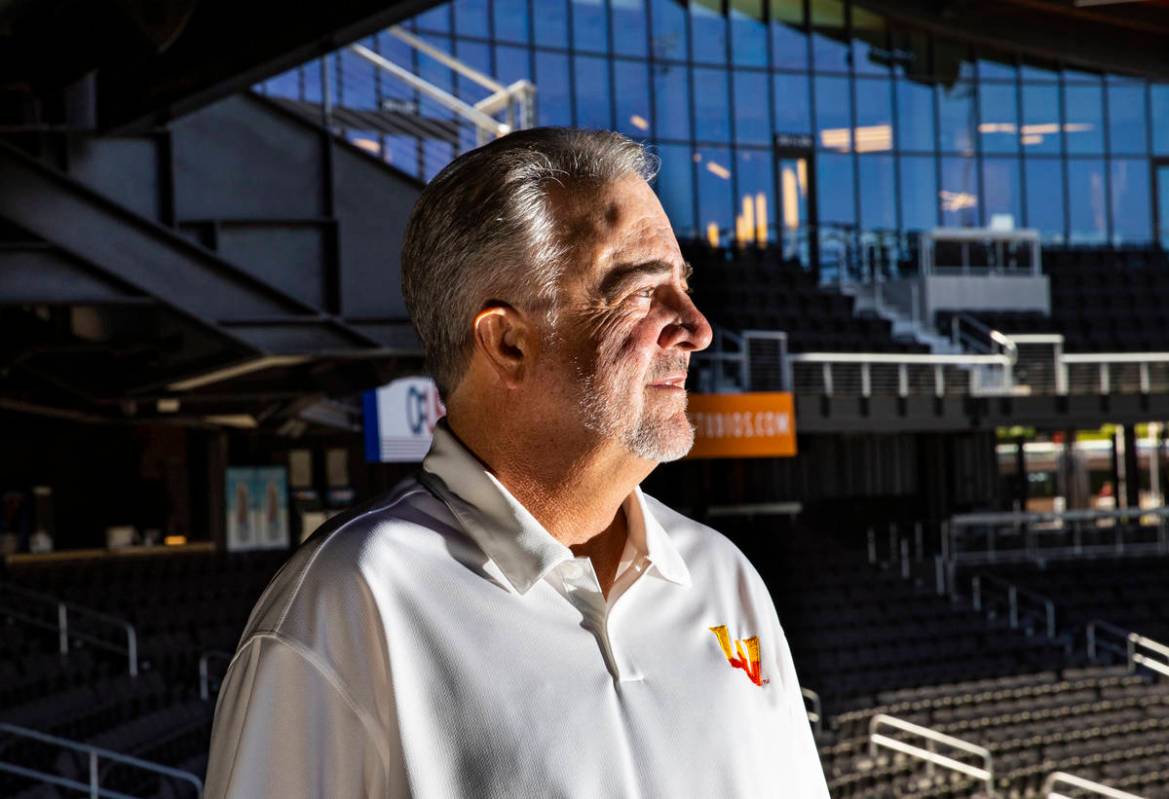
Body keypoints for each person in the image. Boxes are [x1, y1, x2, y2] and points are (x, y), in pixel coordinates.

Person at [203, 127, 828, 798]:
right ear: (507, 342)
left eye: (682, 282)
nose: (696, 326)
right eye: (640, 289)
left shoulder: (724, 577)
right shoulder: (350, 600)